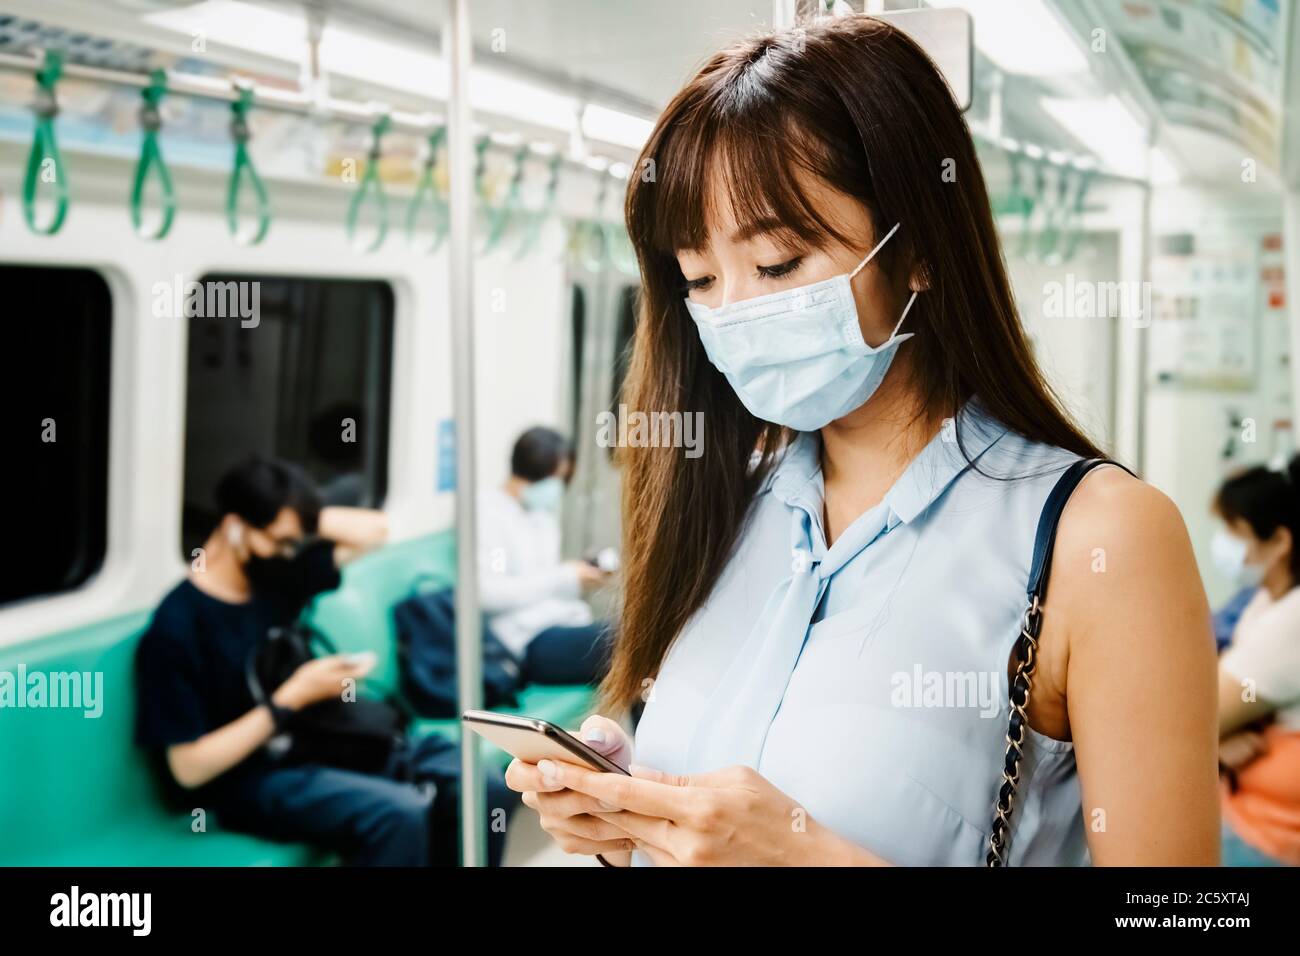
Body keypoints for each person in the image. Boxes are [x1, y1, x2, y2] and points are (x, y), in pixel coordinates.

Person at [506, 15, 1218, 866]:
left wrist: (810, 857)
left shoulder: (1099, 536)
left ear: (915, 249)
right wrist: (628, 820)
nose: (734, 312)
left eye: (776, 265)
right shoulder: (731, 505)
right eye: (699, 278)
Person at [135, 455, 517, 866]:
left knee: (482, 785)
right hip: (252, 776)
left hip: (321, 741)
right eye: (280, 540)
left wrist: (301, 515)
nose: (289, 552)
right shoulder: (177, 627)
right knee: (399, 815)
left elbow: (375, 531)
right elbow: (189, 767)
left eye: (293, 542)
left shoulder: (275, 579)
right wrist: (290, 699)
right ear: (233, 527)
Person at [1213, 459, 1300, 866]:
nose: (1223, 543)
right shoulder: (1265, 602)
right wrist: (1216, 741)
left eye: (1236, 532)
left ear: (1280, 541)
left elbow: (1196, 717)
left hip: (1268, 842)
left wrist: (1209, 739)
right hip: (1243, 820)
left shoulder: (1293, 619)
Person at [477, 427, 613, 686]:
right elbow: (491, 593)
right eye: (556, 478)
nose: (557, 488)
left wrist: (578, 579)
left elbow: (543, 581)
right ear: (533, 470)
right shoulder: (488, 514)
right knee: (627, 639)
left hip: (560, 622)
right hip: (523, 641)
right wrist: (564, 576)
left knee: (640, 637)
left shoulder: (542, 516)